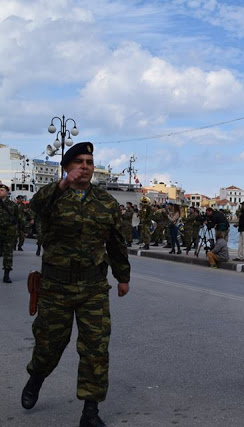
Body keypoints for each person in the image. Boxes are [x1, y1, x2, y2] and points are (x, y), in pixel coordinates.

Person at [21, 142, 130, 427]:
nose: (85, 166)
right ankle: (36, 378)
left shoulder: (106, 203)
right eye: (79, 161)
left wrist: (123, 277)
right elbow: (36, 205)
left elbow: (116, 243)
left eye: (89, 162)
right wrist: (60, 186)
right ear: (67, 167)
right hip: (56, 287)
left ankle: (90, 411)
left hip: (93, 288)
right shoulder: (52, 198)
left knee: (96, 348)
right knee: (49, 344)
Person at [0, 183, 20, 283]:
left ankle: (6, 275)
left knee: (8, 253)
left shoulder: (13, 205)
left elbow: (17, 218)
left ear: (7, 193)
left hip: (8, 232)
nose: (0, 191)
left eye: (2, 190)